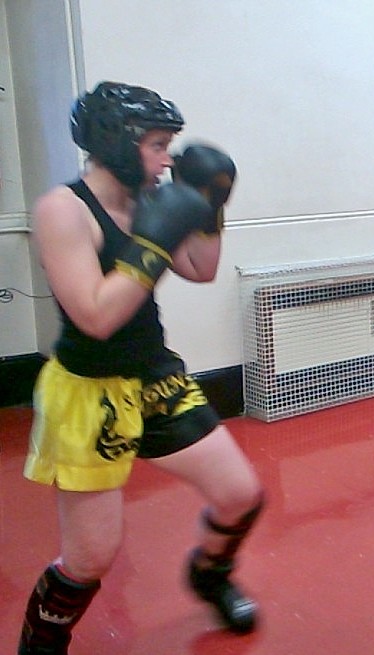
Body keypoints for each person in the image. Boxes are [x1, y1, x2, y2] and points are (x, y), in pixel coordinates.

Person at [18, 82, 264, 654]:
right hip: (87, 391)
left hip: (154, 376)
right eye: (157, 145)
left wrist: (209, 206)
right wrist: (151, 244)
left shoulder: (150, 200)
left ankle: (209, 575)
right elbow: (95, 317)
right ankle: (41, 645)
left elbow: (200, 268)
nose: (167, 160)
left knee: (240, 495)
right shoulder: (63, 210)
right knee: (90, 557)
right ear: (118, 144)